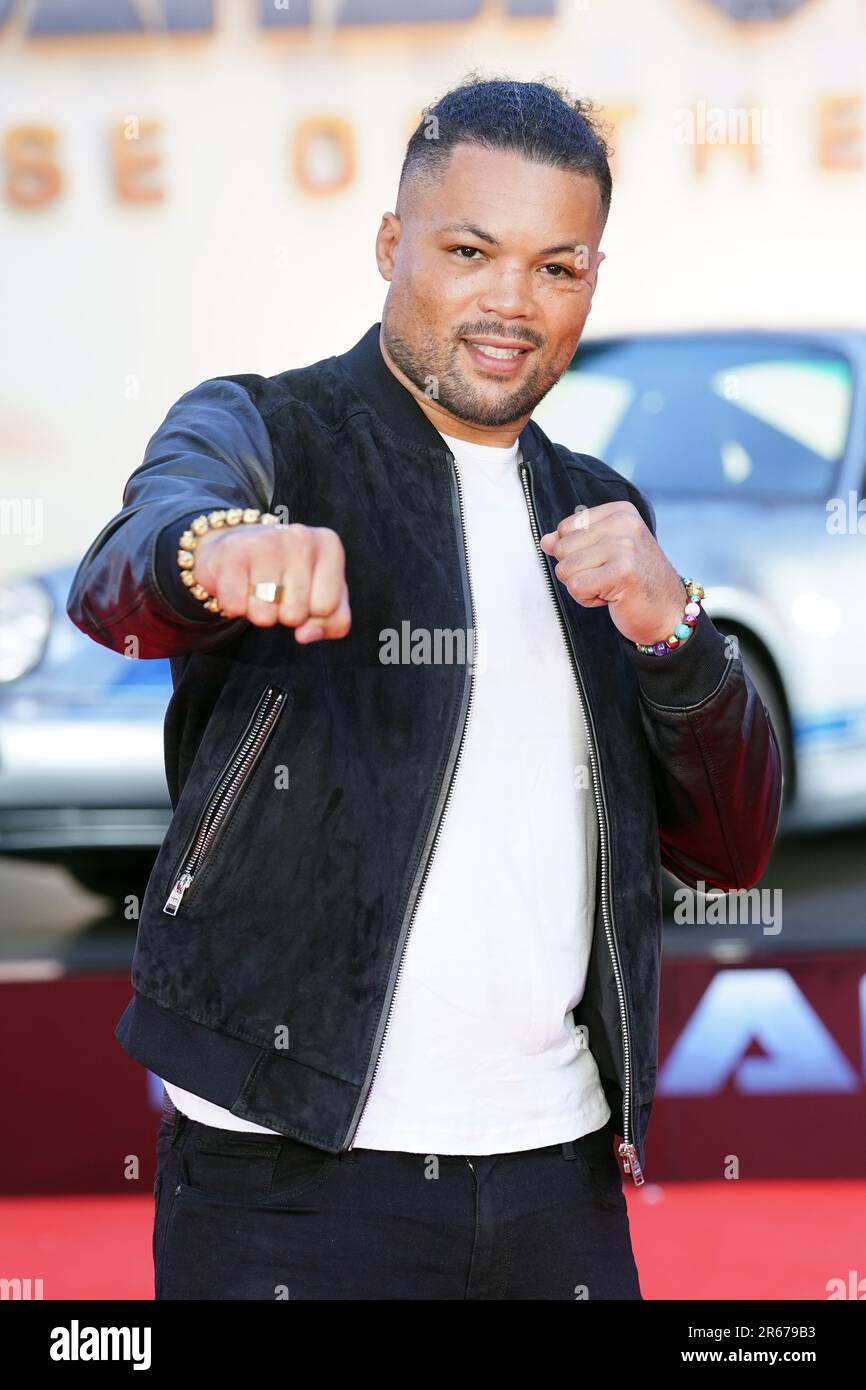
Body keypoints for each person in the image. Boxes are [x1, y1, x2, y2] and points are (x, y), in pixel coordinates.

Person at [66, 73, 783, 1301]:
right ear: (391, 244)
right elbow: (125, 567)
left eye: (557, 267)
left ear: (591, 281)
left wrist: (678, 633)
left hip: (557, 1176)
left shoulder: (601, 510)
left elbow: (730, 843)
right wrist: (215, 552)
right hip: (283, 1172)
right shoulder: (267, 432)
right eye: (468, 250)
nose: (511, 302)